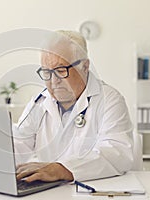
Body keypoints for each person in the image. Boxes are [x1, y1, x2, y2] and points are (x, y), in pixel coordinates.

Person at [13, 30, 135, 183]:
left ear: (85, 66)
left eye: (61, 70)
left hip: (94, 191)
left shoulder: (110, 100)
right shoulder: (39, 103)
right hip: (50, 192)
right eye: (46, 72)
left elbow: (118, 153)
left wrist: (61, 169)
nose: (54, 80)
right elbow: (18, 143)